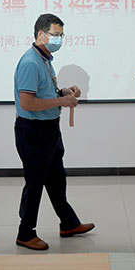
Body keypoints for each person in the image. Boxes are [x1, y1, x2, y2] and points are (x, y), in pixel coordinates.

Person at [13, 13, 95, 250]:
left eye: (61, 35)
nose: (59, 39)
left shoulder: (44, 59)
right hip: (33, 131)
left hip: (49, 129)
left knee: (57, 179)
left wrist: (63, 92)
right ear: (40, 34)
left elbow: (43, 93)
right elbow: (27, 103)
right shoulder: (30, 62)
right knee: (35, 183)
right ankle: (25, 233)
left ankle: (69, 223)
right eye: (55, 34)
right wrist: (62, 102)